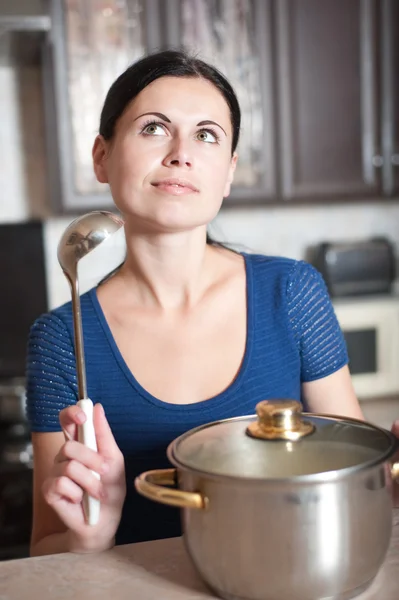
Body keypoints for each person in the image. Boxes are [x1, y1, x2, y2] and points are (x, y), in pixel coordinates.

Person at [26, 49, 399, 558]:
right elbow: (45, 549)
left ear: (227, 172)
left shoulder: (291, 292)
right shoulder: (59, 338)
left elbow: (360, 477)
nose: (182, 152)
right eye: (154, 128)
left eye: (206, 135)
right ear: (101, 157)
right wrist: (88, 535)